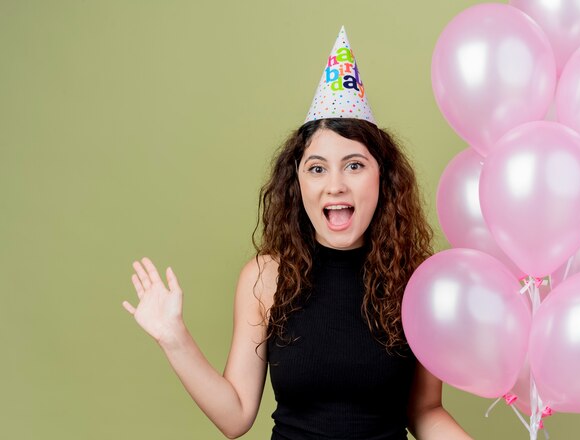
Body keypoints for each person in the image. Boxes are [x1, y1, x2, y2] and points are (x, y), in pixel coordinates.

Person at [123, 27, 470, 439]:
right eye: (317, 168)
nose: (335, 184)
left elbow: (426, 410)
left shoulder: (418, 282)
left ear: (384, 179)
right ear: (298, 182)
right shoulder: (264, 278)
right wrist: (173, 337)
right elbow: (235, 416)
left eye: (355, 165)